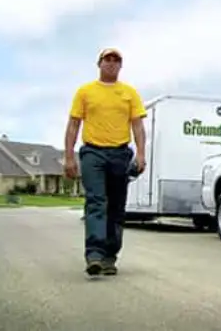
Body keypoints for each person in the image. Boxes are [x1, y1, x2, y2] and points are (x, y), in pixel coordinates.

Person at [63, 48, 147, 276]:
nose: (111, 63)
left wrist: (140, 154)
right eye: (106, 60)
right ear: (99, 64)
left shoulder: (129, 93)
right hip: (93, 153)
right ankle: (94, 254)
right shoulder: (85, 91)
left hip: (120, 153)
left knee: (116, 206)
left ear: (121, 66)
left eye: (116, 60)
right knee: (96, 201)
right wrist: (69, 156)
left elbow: (138, 125)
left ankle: (110, 256)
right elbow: (73, 124)